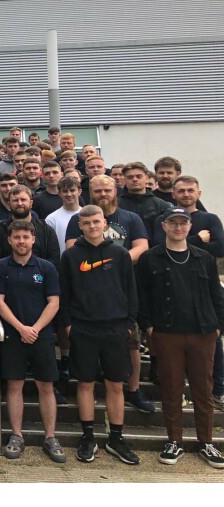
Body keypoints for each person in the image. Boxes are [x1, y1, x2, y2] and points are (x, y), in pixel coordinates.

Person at [136, 207, 224, 467]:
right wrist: (149, 327)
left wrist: (219, 326)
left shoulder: (203, 258)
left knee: (203, 390)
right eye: (173, 223)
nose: (178, 227)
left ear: (189, 227)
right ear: (164, 226)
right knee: (172, 389)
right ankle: (174, 441)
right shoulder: (150, 258)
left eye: (183, 223)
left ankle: (206, 442)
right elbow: (143, 297)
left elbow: (216, 294)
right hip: (166, 333)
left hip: (202, 332)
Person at [65, 174, 153, 415]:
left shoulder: (130, 218)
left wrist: (115, 258)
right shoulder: (77, 222)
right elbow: (72, 259)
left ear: (116, 190)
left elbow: (142, 247)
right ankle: (88, 431)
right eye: (97, 190)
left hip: (118, 309)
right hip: (85, 318)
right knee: (85, 380)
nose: (103, 194)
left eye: (107, 189)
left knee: (131, 349)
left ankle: (134, 391)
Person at [60, 204, 140, 465]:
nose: (92, 226)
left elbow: (130, 290)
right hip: (83, 328)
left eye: (96, 222)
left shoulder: (120, 254)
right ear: (80, 226)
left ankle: (116, 438)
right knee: (84, 383)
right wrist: (69, 324)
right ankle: (88, 436)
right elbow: (65, 294)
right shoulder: (71, 256)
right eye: (87, 223)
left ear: (105, 223)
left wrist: (128, 322)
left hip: (115, 327)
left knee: (115, 384)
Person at [0, 220, 66, 463]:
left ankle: (51, 437)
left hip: (41, 335)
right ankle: (16, 436)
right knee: (14, 386)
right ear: (9, 240)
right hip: (13, 335)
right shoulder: (0, 267)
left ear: (33, 239)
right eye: (16, 237)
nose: (21, 241)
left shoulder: (46, 267)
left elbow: (54, 302)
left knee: (46, 386)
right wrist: (21, 328)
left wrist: (35, 328)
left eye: (25, 237)